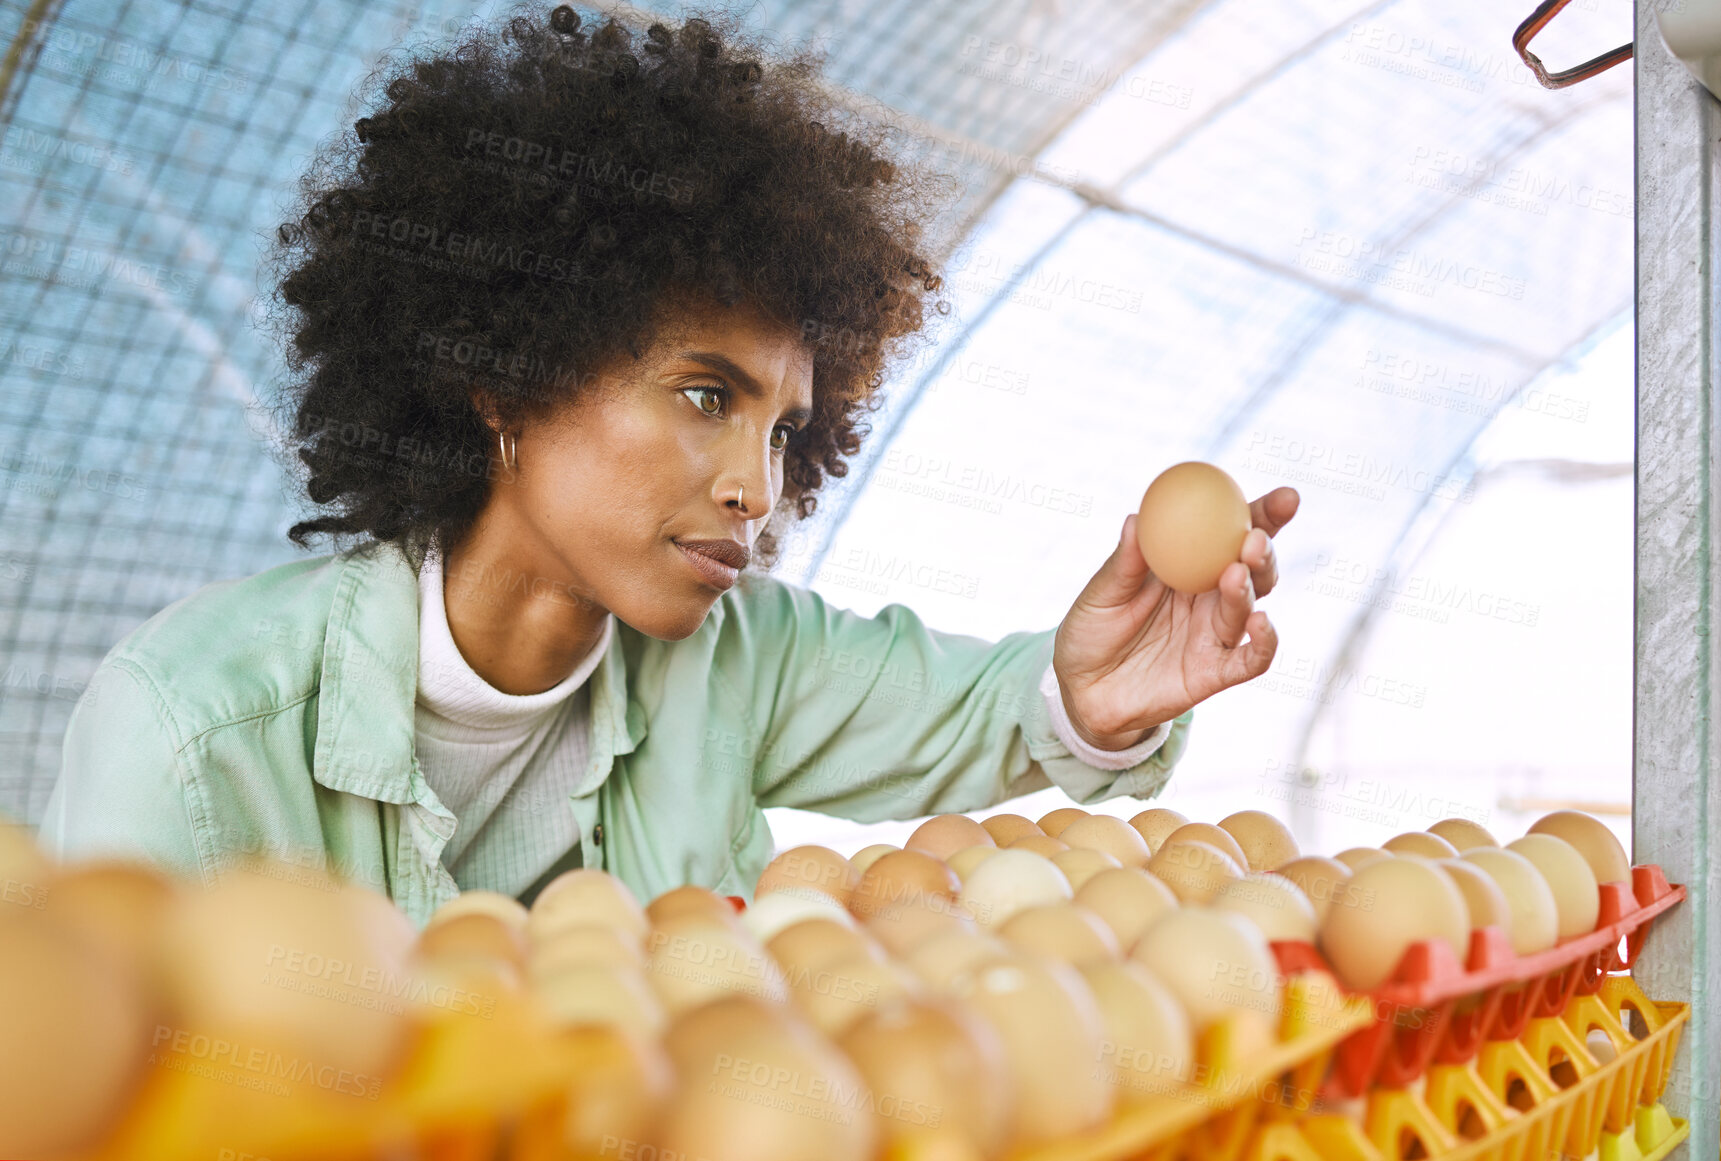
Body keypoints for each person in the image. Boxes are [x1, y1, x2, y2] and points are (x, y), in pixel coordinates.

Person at [37, 5, 1298, 928]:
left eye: (785, 432)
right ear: (505, 379)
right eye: (707, 395)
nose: (758, 489)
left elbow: (992, 715)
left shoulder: (734, 657)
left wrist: (1098, 688)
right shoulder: (195, 730)